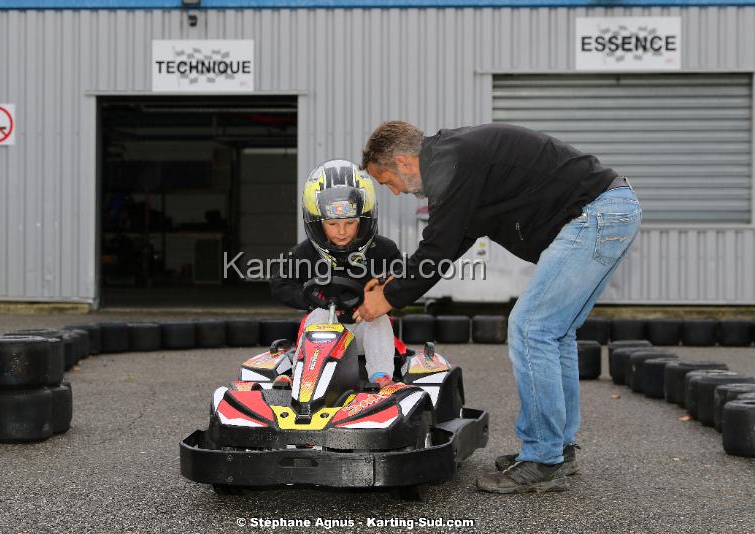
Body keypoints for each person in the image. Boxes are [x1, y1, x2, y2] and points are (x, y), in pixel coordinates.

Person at [354, 121, 641, 493]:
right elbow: (454, 239)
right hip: (608, 210)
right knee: (555, 332)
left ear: (405, 162)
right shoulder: (454, 160)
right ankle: (557, 449)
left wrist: (389, 300)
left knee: (530, 328)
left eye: (387, 180)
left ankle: (543, 459)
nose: (393, 192)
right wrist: (395, 282)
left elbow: (438, 247)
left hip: (597, 214)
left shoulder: (452, 162)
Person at [270, 159, 401, 388]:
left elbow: (405, 280)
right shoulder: (306, 252)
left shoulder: (383, 250)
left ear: (363, 220)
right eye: (332, 223)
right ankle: (304, 380)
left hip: (365, 333)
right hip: (326, 330)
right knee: (319, 316)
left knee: (378, 317)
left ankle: (382, 379)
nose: (342, 232)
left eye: (350, 223)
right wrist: (314, 299)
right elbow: (280, 284)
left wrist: (382, 295)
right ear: (318, 222)